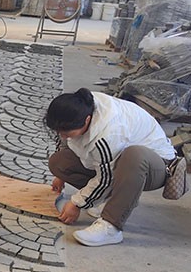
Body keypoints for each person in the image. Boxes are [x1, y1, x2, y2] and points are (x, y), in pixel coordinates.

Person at [45, 88, 176, 247]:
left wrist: (76, 203)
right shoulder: (81, 105)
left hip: (155, 165)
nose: (62, 136)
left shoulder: (109, 133)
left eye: (67, 132)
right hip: (118, 161)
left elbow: (106, 177)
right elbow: (65, 140)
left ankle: (111, 226)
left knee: (134, 155)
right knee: (59, 162)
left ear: (86, 121)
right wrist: (61, 176)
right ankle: (110, 199)